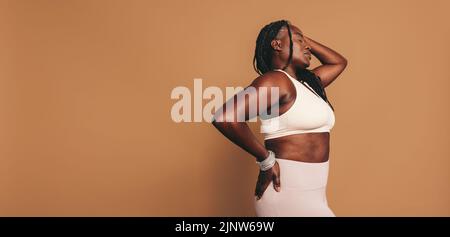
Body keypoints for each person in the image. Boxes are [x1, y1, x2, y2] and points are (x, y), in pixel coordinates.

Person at [211, 19, 347, 217]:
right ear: (277, 44)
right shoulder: (276, 80)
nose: (307, 46)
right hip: (287, 193)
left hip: (315, 195)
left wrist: (301, 38)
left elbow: (339, 62)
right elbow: (225, 117)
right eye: (300, 40)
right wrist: (266, 160)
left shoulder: (308, 84)